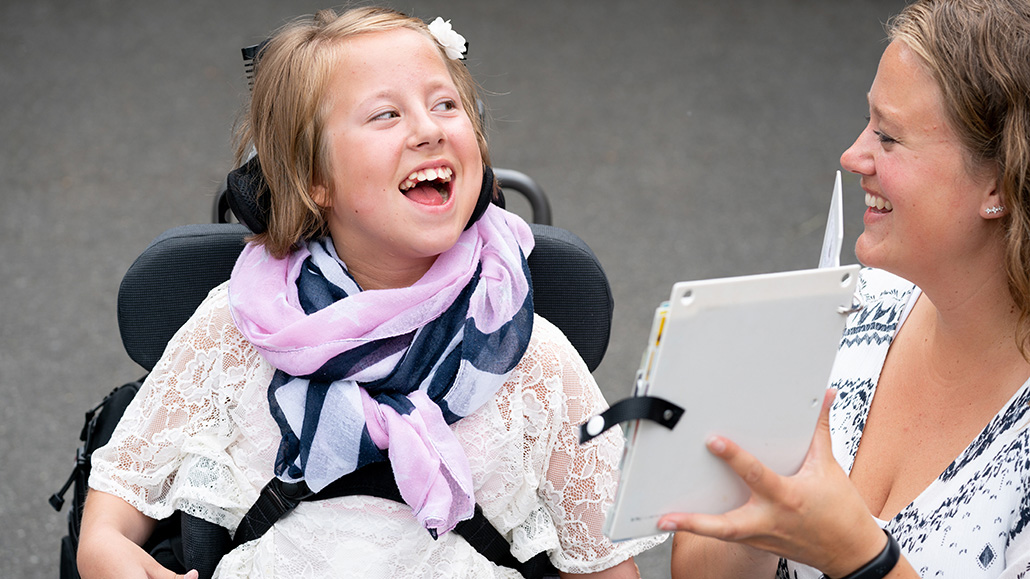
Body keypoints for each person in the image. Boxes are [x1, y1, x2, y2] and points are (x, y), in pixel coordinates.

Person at [75, 7, 664, 578]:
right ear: (314, 180)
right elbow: (109, 522)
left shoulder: (532, 356)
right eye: (386, 115)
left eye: (446, 104)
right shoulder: (237, 328)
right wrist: (106, 553)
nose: (430, 128)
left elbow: (605, 568)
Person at [661, 0, 1030, 577]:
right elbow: (697, 568)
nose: (853, 155)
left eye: (888, 137)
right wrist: (759, 518)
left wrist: (857, 555)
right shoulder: (852, 311)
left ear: (999, 184)